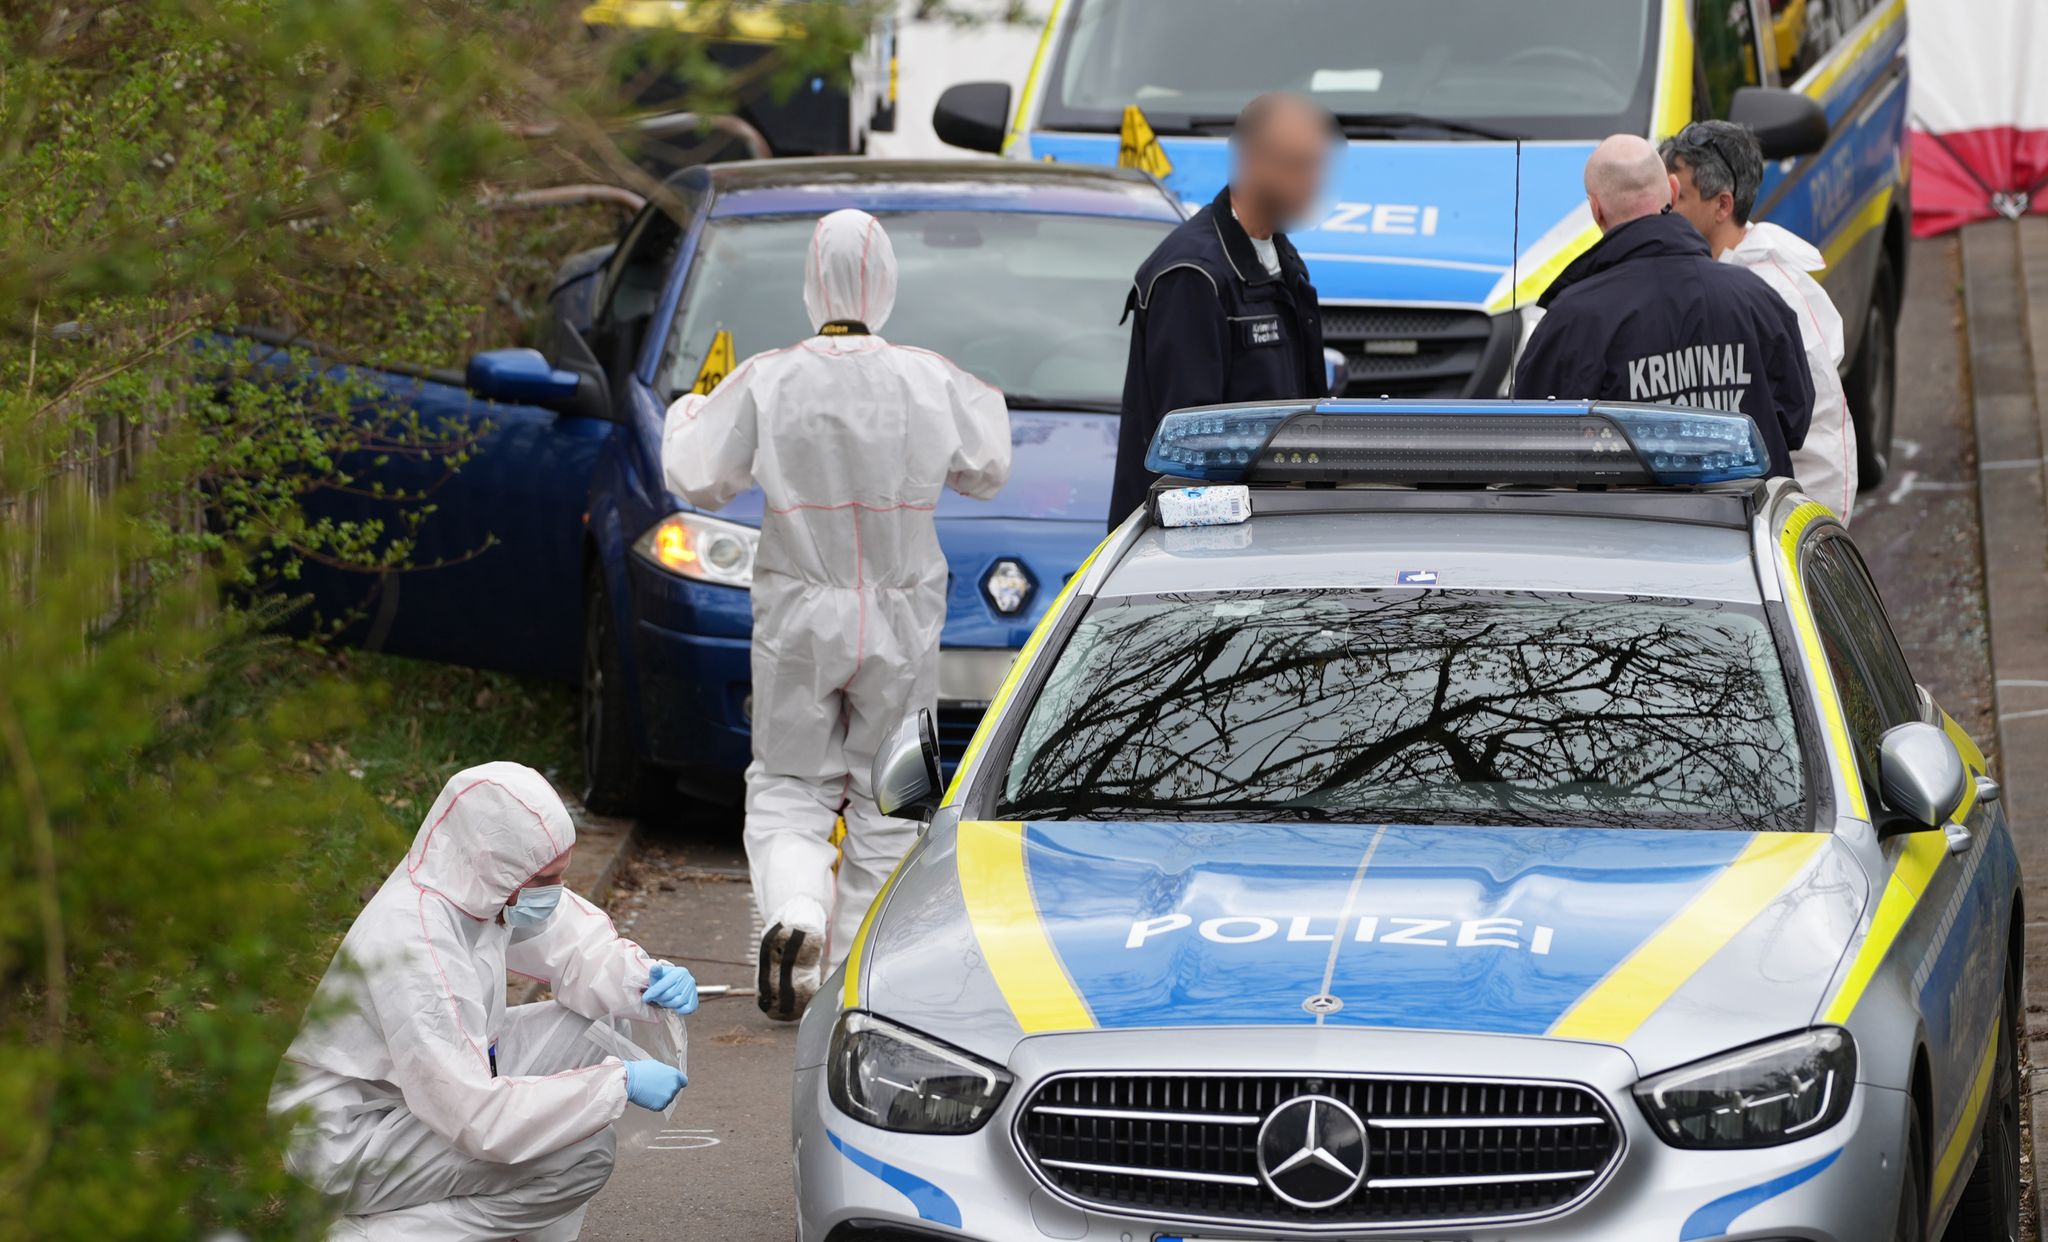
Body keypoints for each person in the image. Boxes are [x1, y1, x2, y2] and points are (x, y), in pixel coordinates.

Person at [662, 209, 1011, 1021]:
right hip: (899, 615)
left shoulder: (769, 377)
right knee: (890, 798)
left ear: (811, 282)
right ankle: (854, 976)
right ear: (886, 282)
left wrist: (690, 405)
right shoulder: (928, 377)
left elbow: (694, 473)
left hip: (799, 612)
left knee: (788, 788)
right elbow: (989, 465)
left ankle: (796, 915)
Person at [270, 762, 700, 1241]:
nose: (554, 891)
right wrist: (615, 1085)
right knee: (582, 1151)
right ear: (497, 865)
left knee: (599, 1030)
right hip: (349, 1143)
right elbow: (476, 1116)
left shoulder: (480, 891)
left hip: (420, 1100)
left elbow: (573, 942)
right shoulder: (413, 942)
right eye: (545, 879)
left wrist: (642, 978)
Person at [1515, 134, 1814, 479]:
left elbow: (1533, 448)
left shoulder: (1571, 322)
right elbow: (1795, 423)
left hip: (1628, 529)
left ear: (1596, 209)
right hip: (1742, 527)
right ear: (1672, 191)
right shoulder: (1759, 301)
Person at [1108, 91, 1335, 528]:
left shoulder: (1281, 262)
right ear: (1253, 162)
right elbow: (1189, 451)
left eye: (1317, 165)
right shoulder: (1193, 276)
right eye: (1297, 165)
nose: (1312, 182)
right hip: (1200, 555)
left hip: (1273, 532)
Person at [1663, 120, 1858, 520]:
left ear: (1722, 205)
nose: (1666, 208)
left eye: (1679, 196)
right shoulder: (1694, 274)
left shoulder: (1781, 296)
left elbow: (1823, 438)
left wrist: (1809, 546)